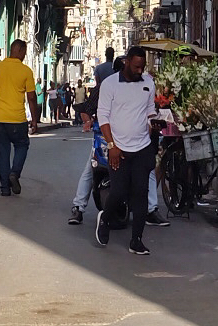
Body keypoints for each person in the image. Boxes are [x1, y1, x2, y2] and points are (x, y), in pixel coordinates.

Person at [68, 81, 168, 228]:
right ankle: (78, 207)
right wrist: (89, 121)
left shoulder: (139, 89)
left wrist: (151, 125)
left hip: (133, 141)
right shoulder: (105, 88)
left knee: (148, 170)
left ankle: (151, 210)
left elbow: (147, 114)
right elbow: (88, 110)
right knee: (90, 168)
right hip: (107, 139)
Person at [95, 43, 158, 255]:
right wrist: (111, 145)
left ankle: (136, 240)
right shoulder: (110, 84)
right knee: (119, 191)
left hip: (142, 147)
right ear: (127, 62)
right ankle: (105, 219)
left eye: (142, 67)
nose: (140, 71)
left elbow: (150, 110)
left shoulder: (148, 83)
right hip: (118, 148)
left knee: (140, 193)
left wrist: (154, 122)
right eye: (136, 66)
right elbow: (103, 116)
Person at [0, 39, 40, 197]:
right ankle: (14, 173)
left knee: (3, 152)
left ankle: (5, 188)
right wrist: (34, 119)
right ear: (20, 51)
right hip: (18, 119)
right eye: (25, 52)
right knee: (22, 146)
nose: (25, 55)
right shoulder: (25, 71)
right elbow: (32, 97)